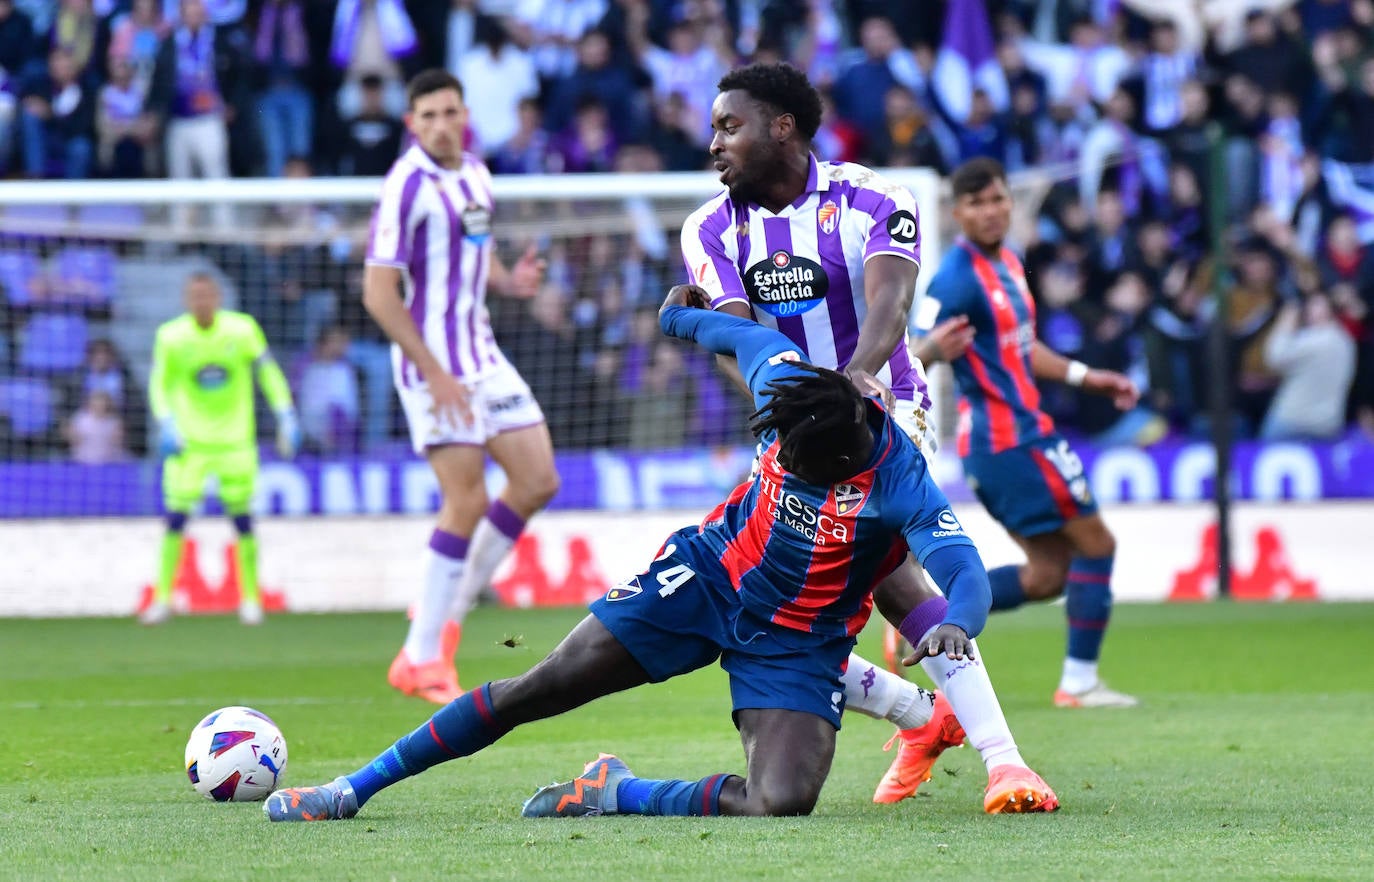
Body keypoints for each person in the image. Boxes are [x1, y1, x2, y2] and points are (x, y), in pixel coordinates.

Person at [262, 287, 1059, 824]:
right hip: (703, 579)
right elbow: (729, 329)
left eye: (811, 470)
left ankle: (616, 790)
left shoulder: (899, 477)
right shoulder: (786, 384)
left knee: (780, 804)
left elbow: (955, 562)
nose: (795, 471)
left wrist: (960, 619)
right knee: (540, 687)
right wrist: (676, 317)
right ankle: (348, 790)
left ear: (853, 449)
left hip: (798, 641)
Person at [680, 61, 1043, 809]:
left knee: (873, 574)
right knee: (766, 606)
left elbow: (891, 298)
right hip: (791, 434)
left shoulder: (873, 198)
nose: (713, 143)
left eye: (729, 125)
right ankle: (939, 725)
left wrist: (855, 378)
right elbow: (740, 341)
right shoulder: (710, 228)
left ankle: (994, 754)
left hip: (887, 411)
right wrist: (798, 418)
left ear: (782, 126)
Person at [912, 157, 1140, 708]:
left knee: (1047, 575)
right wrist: (931, 352)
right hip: (1011, 440)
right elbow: (913, 351)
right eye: (976, 203)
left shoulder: (1009, 263)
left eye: (997, 199)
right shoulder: (955, 279)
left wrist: (1088, 377)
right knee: (1097, 544)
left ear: (1010, 202)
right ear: (957, 212)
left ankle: (923, 620)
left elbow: (1021, 347)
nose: (990, 211)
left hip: (1014, 442)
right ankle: (1080, 683)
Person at [364, 68, 558, 704]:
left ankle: (445, 610)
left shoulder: (476, 173)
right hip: (432, 365)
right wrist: (435, 372)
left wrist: (509, 282)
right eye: (429, 116)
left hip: (481, 354)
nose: (443, 125)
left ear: (464, 114)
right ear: (411, 124)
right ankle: (420, 656)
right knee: (466, 499)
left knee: (536, 480)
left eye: (451, 112)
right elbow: (378, 293)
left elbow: (477, 253)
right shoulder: (405, 187)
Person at [141, 271, 301, 626]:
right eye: (195, 295)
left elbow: (268, 372)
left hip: (235, 442)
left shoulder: (242, 330)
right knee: (175, 519)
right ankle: (163, 598)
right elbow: (159, 384)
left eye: (207, 295)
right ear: (186, 300)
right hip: (190, 444)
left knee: (242, 520)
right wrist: (166, 421)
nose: (201, 301)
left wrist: (285, 412)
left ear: (217, 298)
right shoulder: (171, 336)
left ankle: (250, 599)